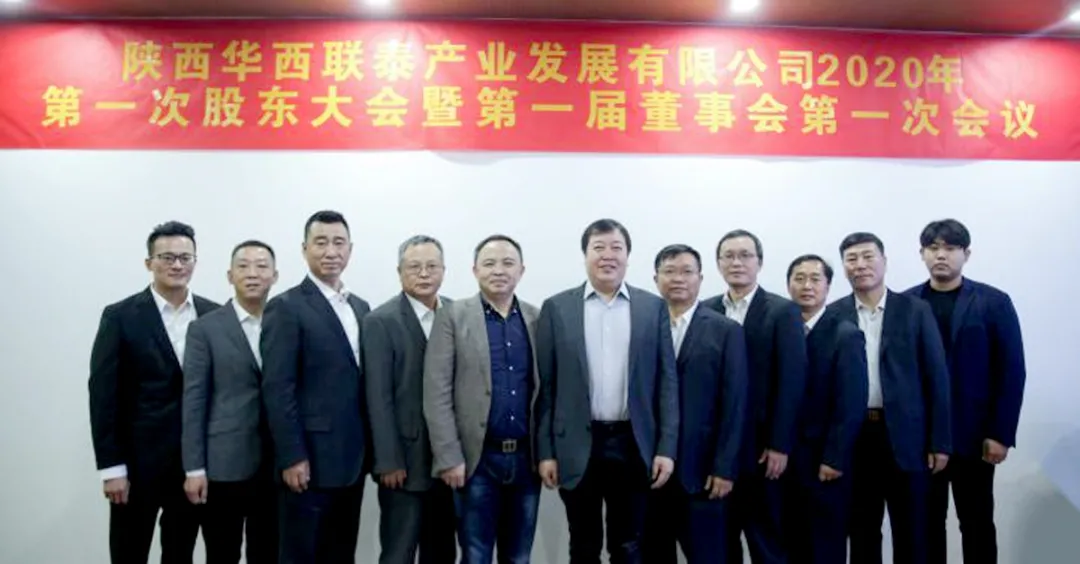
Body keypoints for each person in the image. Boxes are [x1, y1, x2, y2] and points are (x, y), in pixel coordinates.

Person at [535, 218, 679, 564]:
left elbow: (667, 383)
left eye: (616, 247)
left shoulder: (652, 307)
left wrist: (666, 448)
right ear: (585, 255)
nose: (608, 255)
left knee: (628, 544)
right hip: (576, 442)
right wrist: (546, 452)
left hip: (633, 442)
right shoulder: (557, 308)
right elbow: (546, 386)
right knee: (583, 544)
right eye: (598, 247)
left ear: (628, 255)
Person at [88, 220, 221, 563]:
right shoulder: (120, 316)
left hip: (192, 466)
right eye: (167, 257)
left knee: (180, 553)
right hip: (136, 466)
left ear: (195, 262)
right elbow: (103, 396)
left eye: (185, 257)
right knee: (128, 553)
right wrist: (111, 468)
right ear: (149, 262)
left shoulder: (215, 315)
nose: (177, 265)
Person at [905, 219, 1026, 564]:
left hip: (975, 436)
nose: (940, 255)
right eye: (933, 248)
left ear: (966, 254)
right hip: (922, 438)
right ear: (922, 254)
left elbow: (1011, 371)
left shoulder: (993, 302)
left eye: (950, 248)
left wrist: (1000, 433)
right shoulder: (907, 304)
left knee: (976, 522)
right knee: (926, 524)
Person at [826, 232, 951, 564]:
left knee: (912, 531)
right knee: (862, 529)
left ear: (884, 261)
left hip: (906, 438)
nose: (860, 265)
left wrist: (940, 442)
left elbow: (936, 378)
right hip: (855, 438)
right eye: (852, 259)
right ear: (844, 266)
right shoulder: (834, 315)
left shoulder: (915, 310)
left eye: (868, 257)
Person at [261, 210, 371, 564]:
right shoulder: (285, 307)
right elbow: (278, 389)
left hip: (352, 459)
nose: (331, 251)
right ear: (304, 249)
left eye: (339, 243)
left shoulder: (360, 307)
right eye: (321, 242)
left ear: (350, 249)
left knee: (340, 554)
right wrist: (292, 456)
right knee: (300, 555)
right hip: (308, 462)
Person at [423, 234, 541, 564]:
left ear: (521, 270)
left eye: (508, 263)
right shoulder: (453, 316)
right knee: (476, 555)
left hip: (526, 460)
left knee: (519, 556)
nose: (498, 270)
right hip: (476, 461)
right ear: (475, 270)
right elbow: (436, 392)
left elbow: (544, 392)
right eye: (489, 263)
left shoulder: (536, 318)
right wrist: (449, 456)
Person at [702, 229, 806, 564]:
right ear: (718, 263)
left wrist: (780, 444)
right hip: (717, 449)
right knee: (721, 541)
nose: (737, 262)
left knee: (767, 541)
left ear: (759, 262)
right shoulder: (705, 310)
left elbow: (792, 382)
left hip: (763, 450)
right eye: (729, 256)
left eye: (745, 255)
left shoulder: (782, 311)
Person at [644, 244, 748, 564]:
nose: (678, 278)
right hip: (648, 471)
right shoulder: (641, 327)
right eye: (669, 271)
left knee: (708, 556)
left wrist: (724, 467)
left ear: (701, 279)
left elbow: (735, 404)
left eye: (687, 272)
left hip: (703, 472)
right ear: (655, 279)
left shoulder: (725, 330)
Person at [181, 240, 280, 563]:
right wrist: (194, 468)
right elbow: (194, 401)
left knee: (269, 552)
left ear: (275, 275)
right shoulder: (205, 329)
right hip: (224, 463)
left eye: (262, 266)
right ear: (229, 275)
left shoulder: (287, 322)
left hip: (277, 463)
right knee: (222, 553)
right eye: (243, 266)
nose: (253, 273)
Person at [365, 235, 456, 564]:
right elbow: (378, 397)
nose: (424, 273)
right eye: (414, 266)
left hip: (450, 462)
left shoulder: (457, 313)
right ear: (399, 271)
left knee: (442, 550)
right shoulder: (381, 321)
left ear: (444, 270)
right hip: (403, 463)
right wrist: (388, 460)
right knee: (398, 551)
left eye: (432, 266)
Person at [783, 254, 867, 564]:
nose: (807, 286)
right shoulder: (781, 329)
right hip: (784, 460)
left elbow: (851, 404)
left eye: (815, 279)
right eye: (799, 278)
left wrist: (834, 457)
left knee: (825, 544)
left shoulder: (845, 334)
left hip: (825, 460)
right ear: (788, 285)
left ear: (828, 286)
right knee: (790, 542)